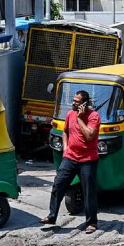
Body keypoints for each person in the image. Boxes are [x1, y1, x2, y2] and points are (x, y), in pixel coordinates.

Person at [40, 90, 100, 234]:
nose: (74, 103)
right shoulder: (69, 114)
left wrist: (80, 118)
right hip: (70, 157)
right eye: (73, 101)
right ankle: (52, 216)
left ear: (85, 104)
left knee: (88, 192)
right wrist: (66, 148)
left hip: (88, 160)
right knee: (58, 184)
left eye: (77, 102)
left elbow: (90, 136)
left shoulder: (94, 117)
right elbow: (65, 131)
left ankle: (91, 222)